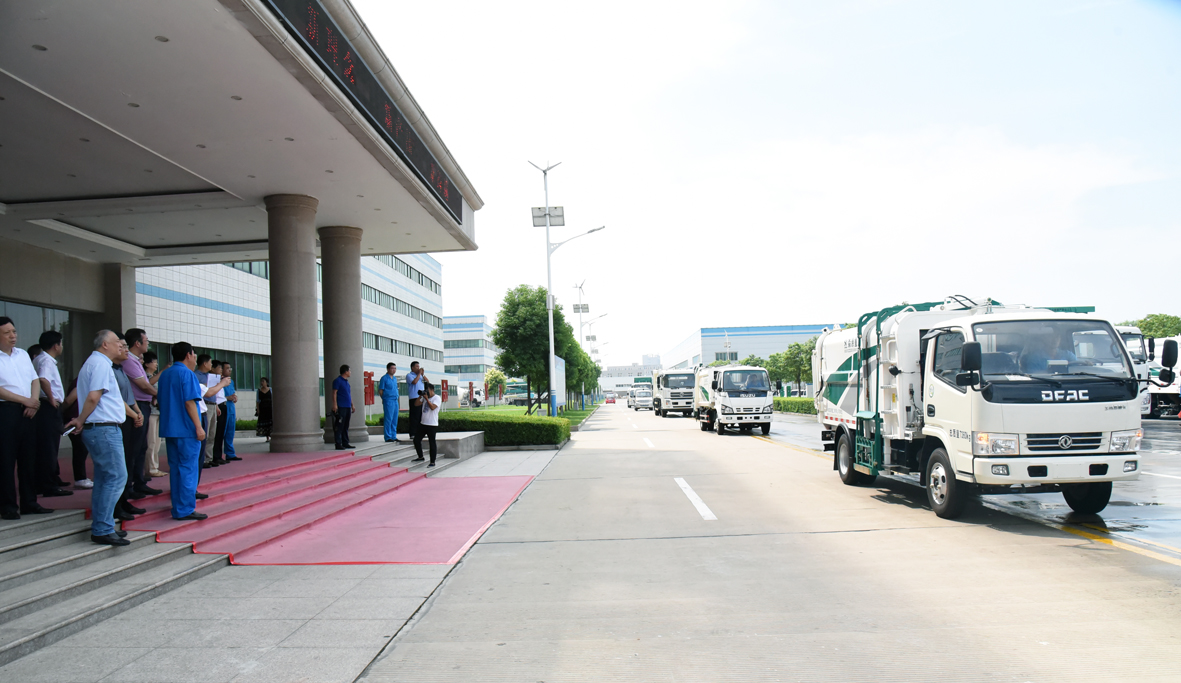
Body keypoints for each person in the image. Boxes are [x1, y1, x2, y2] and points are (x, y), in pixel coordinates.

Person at [64, 330, 133, 545]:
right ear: (105, 344)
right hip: (104, 428)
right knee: (116, 477)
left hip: (101, 428)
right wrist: (80, 419)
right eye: (117, 342)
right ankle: (103, 528)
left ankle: (104, 525)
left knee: (105, 479)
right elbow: (94, 397)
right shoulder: (101, 364)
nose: (120, 346)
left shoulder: (94, 363)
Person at [0, 316, 51, 519]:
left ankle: (29, 502)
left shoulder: (22, 354)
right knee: (6, 460)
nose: (13, 336)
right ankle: (8, 506)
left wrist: (33, 401)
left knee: (28, 459)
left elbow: (34, 379)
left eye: (14, 331)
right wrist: (25, 400)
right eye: (7, 333)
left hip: (29, 410)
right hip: (6, 411)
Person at [156, 342, 208, 521]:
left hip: (170, 428)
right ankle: (185, 508)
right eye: (194, 354)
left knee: (176, 468)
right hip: (187, 429)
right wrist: (199, 427)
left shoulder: (165, 374)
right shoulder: (187, 374)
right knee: (188, 469)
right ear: (188, 355)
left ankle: (178, 506)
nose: (195, 358)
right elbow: (190, 402)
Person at [32, 330, 72, 498]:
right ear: (56, 345)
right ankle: (49, 485)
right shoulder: (46, 361)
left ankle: (48, 480)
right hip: (47, 407)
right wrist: (51, 398)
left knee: (45, 446)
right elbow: (43, 379)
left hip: (44, 407)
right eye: (61, 343)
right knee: (49, 446)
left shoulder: (39, 359)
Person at [121, 329, 160, 498]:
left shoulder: (135, 360)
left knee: (142, 446)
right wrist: (159, 395)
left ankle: (139, 482)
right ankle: (129, 486)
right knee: (133, 448)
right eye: (146, 340)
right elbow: (143, 385)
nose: (148, 343)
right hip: (135, 407)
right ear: (137, 343)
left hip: (143, 405)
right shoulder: (129, 361)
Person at [113, 336, 148, 519]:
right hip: (120, 419)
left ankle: (125, 497)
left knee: (131, 456)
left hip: (131, 415)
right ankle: (116, 504)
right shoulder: (109, 369)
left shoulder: (120, 369)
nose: (125, 349)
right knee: (121, 461)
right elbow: (117, 399)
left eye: (126, 346)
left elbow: (129, 395)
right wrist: (135, 414)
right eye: (122, 346)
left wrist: (137, 411)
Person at [196, 355, 230, 467]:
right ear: (205, 363)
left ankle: (209, 458)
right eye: (210, 362)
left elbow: (213, 393)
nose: (211, 365)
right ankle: (202, 459)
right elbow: (205, 392)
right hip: (204, 405)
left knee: (212, 433)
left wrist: (216, 406)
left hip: (212, 404)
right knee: (205, 433)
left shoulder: (210, 376)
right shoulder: (196, 376)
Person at [61, 377, 93, 489]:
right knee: (80, 448)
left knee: (82, 448)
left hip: (78, 417)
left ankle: (81, 477)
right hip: (74, 418)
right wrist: (60, 412)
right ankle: (80, 478)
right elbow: (69, 400)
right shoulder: (81, 381)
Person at [142, 352, 166, 478]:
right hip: (151, 412)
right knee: (151, 441)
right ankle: (150, 468)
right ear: (147, 364)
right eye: (154, 362)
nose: (156, 364)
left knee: (157, 442)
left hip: (158, 411)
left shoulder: (154, 376)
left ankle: (154, 466)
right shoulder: (144, 376)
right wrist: (162, 372)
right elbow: (148, 385)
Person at [413, 382, 441, 467]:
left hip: (432, 424)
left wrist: (427, 399)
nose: (427, 392)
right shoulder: (425, 397)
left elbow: (432, 407)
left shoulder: (437, 398)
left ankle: (432, 461)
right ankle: (420, 456)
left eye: (427, 390)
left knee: (432, 443)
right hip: (423, 423)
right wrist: (420, 396)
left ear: (432, 390)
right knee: (416, 440)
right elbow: (416, 404)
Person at [219, 362, 240, 461]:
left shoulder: (231, 381)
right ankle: (217, 455)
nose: (229, 370)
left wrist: (234, 397)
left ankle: (230, 453)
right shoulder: (219, 381)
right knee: (222, 431)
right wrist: (227, 397)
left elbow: (232, 392)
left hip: (231, 407)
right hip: (223, 406)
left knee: (230, 431)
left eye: (230, 368)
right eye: (227, 368)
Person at [330, 364, 354, 450]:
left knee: (346, 425)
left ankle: (345, 442)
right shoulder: (337, 381)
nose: (350, 372)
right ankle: (338, 443)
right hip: (341, 406)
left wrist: (352, 405)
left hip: (347, 406)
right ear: (346, 371)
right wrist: (335, 404)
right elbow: (334, 393)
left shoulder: (347, 382)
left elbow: (349, 394)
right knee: (339, 425)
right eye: (349, 370)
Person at [377, 362, 400, 443]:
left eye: (395, 368)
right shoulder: (384, 378)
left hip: (395, 400)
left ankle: (394, 436)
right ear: (388, 369)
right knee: (388, 418)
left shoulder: (395, 378)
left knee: (394, 419)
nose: (394, 370)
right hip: (388, 400)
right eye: (392, 368)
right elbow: (381, 390)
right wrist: (384, 398)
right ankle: (388, 436)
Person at [405, 362, 427, 442]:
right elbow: (414, 382)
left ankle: (420, 433)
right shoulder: (409, 375)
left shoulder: (420, 376)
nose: (418, 368)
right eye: (417, 366)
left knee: (421, 416)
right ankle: (413, 433)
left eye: (419, 366)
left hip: (422, 397)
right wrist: (419, 374)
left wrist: (423, 375)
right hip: (414, 398)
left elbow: (427, 381)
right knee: (414, 416)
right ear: (412, 368)